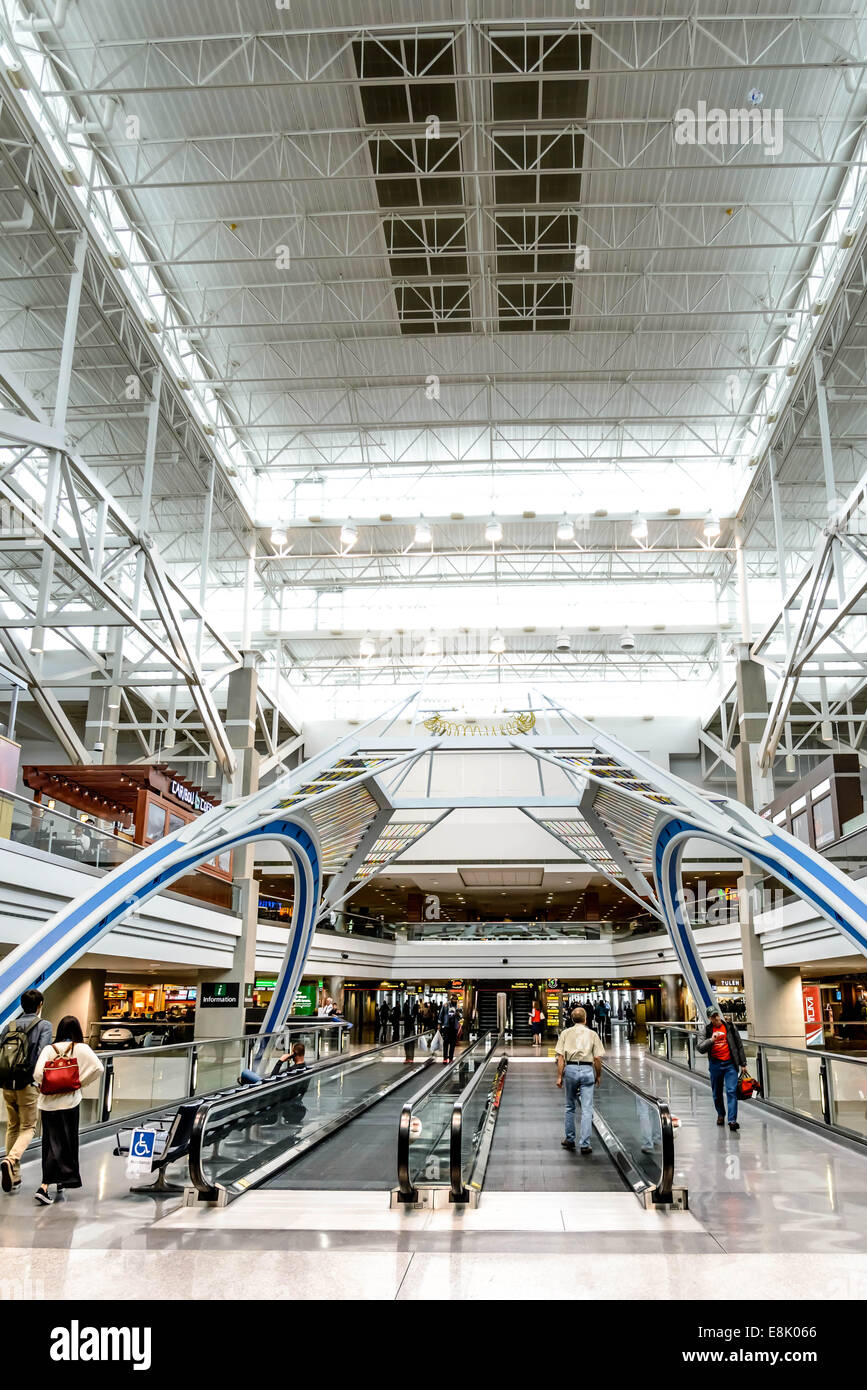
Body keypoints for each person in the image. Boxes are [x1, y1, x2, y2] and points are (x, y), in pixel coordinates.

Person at [32, 1015, 103, 1205]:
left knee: (50, 1143)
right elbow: (98, 1068)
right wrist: (78, 1084)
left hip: (47, 1104)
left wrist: (47, 1085)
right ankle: (47, 1184)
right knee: (67, 1143)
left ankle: (52, 1183)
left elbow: (38, 1074)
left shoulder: (49, 1049)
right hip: (70, 1104)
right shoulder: (80, 1048)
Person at [0, 988, 53, 1195]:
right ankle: (10, 1160)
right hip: (27, 1083)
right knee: (29, 1127)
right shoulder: (44, 1025)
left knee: (13, 1125)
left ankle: (15, 1176)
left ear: (21, 1005)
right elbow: (43, 1054)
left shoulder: (9, 1026)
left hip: (6, 1083)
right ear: (40, 1005)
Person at [555, 1006, 604, 1154]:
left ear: (571, 1019)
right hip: (587, 1069)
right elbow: (597, 1058)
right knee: (587, 1108)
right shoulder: (592, 1034)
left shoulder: (565, 1033)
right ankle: (585, 1144)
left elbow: (560, 1057)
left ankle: (570, 1139)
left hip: (570, 1070)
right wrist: (598, 1075)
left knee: (570, 1106)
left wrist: (559, 1076)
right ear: (585, 1019)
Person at [696, 1007, 747, 1132]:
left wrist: (743, 1063)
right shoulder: (707, 1030)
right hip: (715, 1065)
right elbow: (700, 1048)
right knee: (717, 1093)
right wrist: (712, 1040)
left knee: (731, 1091)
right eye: (713, 1016)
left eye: (717, 1015)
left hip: (730, 1064)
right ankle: (720, 1114)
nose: (716, 1018)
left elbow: (739, 1045)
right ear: (709, 1018)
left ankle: (732, 1120)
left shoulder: (730, 1027)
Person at [239, 1041, 307, 1086]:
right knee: (245, 1078)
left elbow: (273, 1077)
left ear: (295, 1054)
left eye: (292, 1053)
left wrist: (280, 1061)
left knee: (245, 1072)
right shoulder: (303, 1066)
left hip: (268, 1086)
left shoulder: (293, 1069)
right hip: (276, 1086)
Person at [438, 993, 463, 1063]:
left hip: (454, 1026)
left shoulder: (458, 1006)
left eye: (456, 999)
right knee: (445, 1042)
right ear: (451, 999)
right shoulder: (445, 1005)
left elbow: (461, 1016)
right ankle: (445, 1058)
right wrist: (439, 1024)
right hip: (446, 1026)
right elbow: (441, 1014)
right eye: (453, 999)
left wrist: (458, 1014)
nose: (454, 1000)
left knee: (453, 1043)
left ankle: (451, 1058)